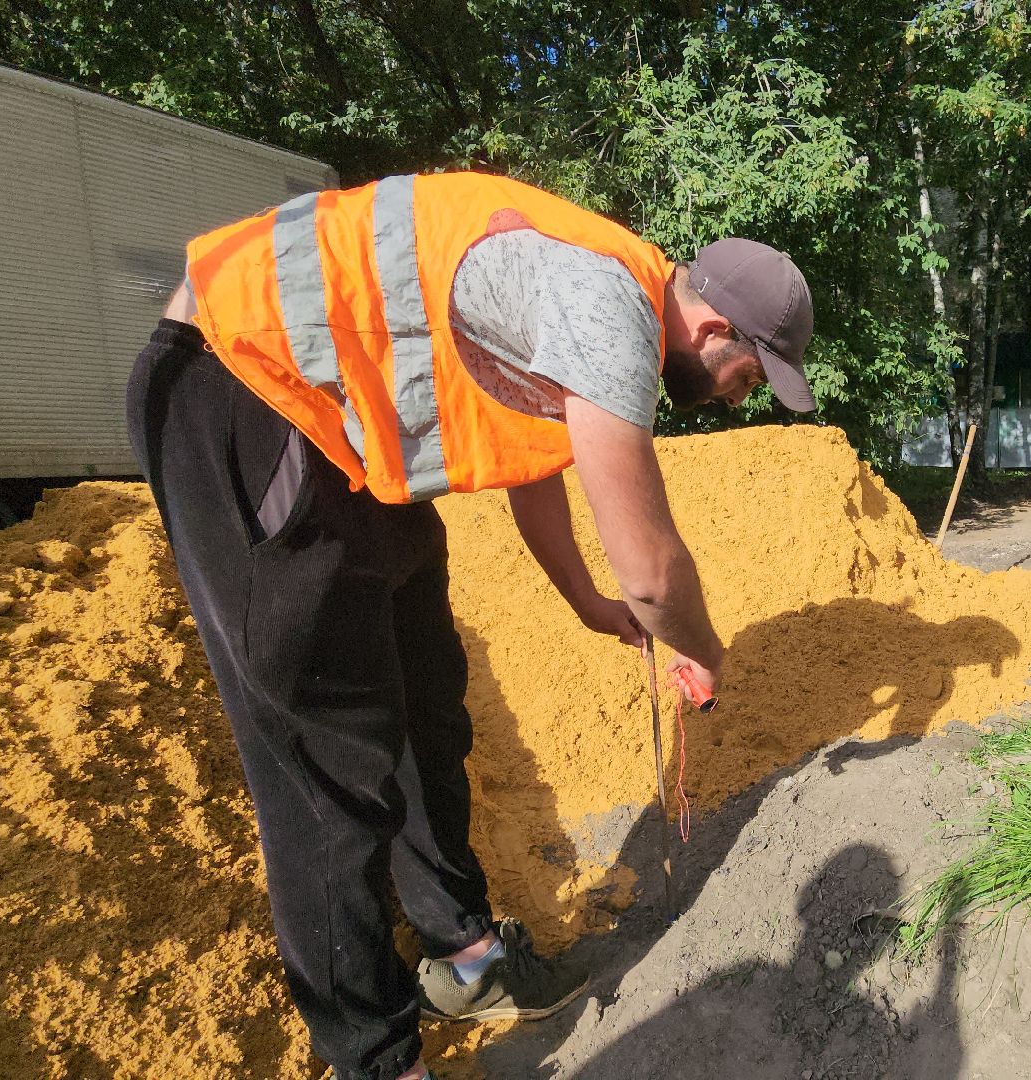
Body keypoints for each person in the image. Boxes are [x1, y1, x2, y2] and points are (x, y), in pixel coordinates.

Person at [124, 170, 815, 1080]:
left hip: (343, 433)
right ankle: (377, 1059)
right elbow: (652, 567)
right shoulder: (611, 304)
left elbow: (536, 463)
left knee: (426, 704)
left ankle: (467, 960)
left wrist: (588, 606)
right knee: (327, 777)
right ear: (716, 330)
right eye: (749, 376)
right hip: (240, 385)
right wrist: (702, 648)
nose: (742, 397)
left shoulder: (593, 288)